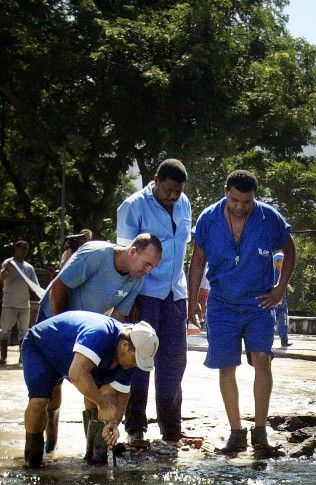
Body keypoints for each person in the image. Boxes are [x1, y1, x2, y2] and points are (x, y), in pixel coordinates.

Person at [187, 169, 296, 454]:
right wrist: (193, 301)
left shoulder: (268, 217)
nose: (239, 207)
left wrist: (280, 287)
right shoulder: (208, 219)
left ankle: (260, 431)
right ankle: (236, 432)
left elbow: (290, 247)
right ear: (226, 191)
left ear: (253, 198)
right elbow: (197, 261)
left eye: (246, 202)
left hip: (258, 303)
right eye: (235, 200)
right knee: (227, 366)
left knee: (263, 359)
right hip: (222, 304)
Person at [35, 234, 162, 454]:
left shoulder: (136, 279)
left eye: (152, 267)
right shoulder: (94, 255)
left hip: (92, 331)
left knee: (94, 385)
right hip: (57, 321)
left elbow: (118, 322)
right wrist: (66, 335)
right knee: (52, 386)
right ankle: (50, 441)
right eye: (146, 264)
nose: (147, 271)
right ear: (132, 252)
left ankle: (94, 452)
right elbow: (58, 288)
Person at [19, 310, 158, 468]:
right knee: (40, 401)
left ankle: (94, 458)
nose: (136, 365)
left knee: (106, 398)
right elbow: (77, 374)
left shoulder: (130, 358)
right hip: (41, 348)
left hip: (72, 360)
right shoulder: (100, 333)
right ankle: (34, 459)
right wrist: (103, 405)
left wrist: (113, 423)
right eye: (136, 359)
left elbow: (121, 396)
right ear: (125, 346)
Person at [116, 158, 192, 446]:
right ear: (156, 180)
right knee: (138, 360)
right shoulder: (133, 206)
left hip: (175, 294)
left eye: (178, 191)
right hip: (144, 293)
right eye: (168, 190)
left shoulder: (184, 203)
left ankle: (171, 429)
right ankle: (135, 427)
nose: (173, 196)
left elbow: (184, 248)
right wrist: (128, 300)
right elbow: (126, 257)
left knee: (174, 361)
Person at [0, 240, 38, 366]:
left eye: (26, 249)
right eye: (22, 248)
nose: (24, 251)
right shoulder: (8, 262)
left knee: (24, 332)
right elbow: (1, 277)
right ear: (16, 249)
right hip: (9, 303)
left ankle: (22, 359)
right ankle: (3, 358)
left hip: (24, 304)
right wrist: (8, 269)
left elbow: (34, 286)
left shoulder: (29, 267)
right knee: (5, 331)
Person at [272, 251, 291, 348]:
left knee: (283, 322)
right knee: (272, 323)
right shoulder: (273, 274)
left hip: (283, 303)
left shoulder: (283, 274)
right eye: (282, 261)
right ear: (277, 262)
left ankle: (284, 341)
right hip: (275, 303)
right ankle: (268, 343)